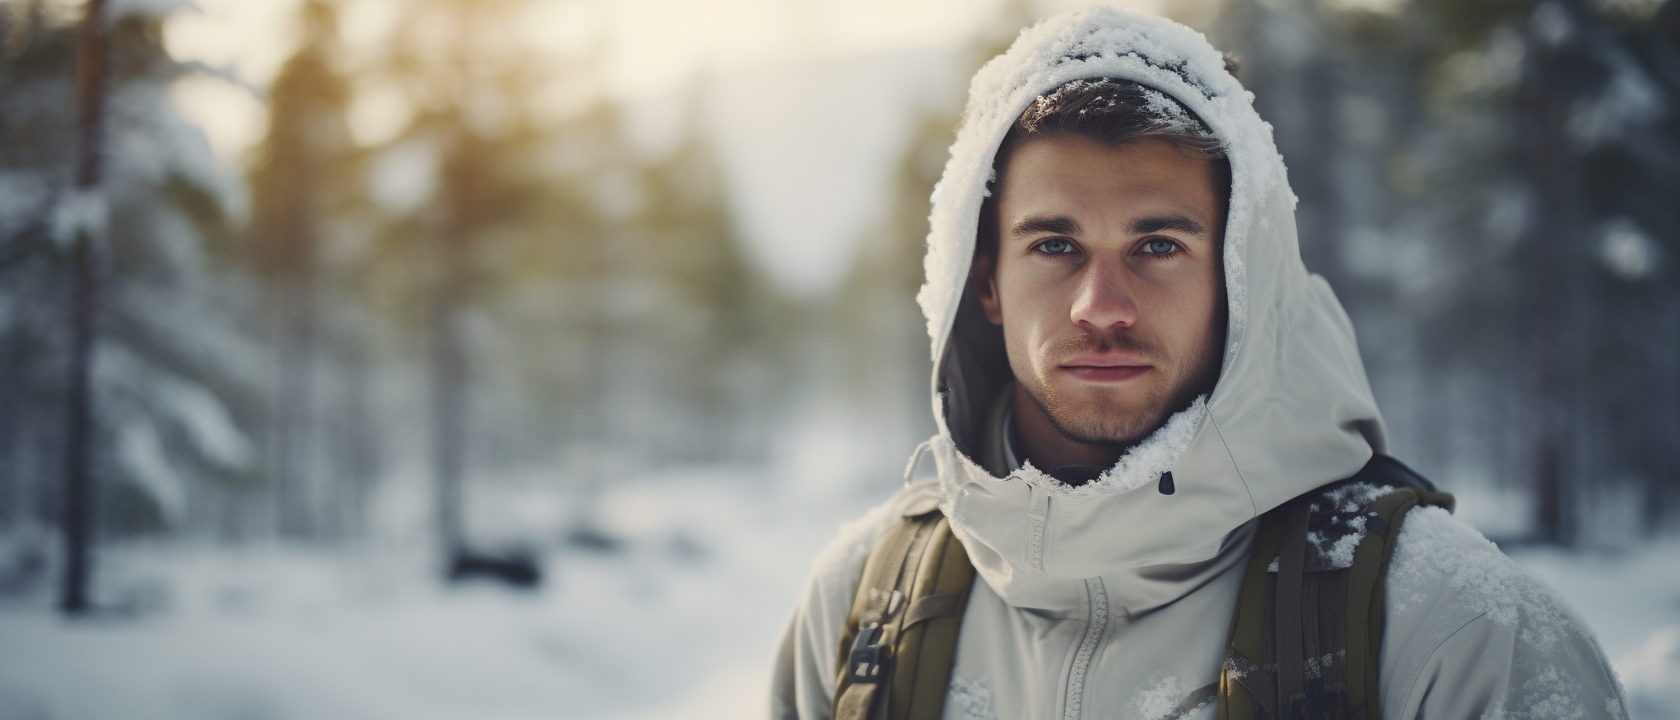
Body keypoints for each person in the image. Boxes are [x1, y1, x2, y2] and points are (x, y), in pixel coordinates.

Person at [771, 8, 1627, 720]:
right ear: (984, 283)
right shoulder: (862, 608)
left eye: (1157, 244)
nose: (1100, 305)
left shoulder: (1452, 628)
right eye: (1056, 244)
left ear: (1237, 279)